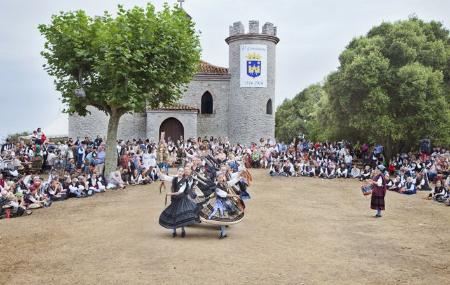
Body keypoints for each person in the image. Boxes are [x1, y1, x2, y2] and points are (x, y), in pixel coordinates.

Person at [159, 167, 200, 238]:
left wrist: (170, 194)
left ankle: (183, 230)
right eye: (179, 171)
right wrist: (159, 172)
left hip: (182, 200)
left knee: (181, 216)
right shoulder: (174, 179)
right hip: (175, 200)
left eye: (182, 171)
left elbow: (180, 192)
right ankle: (174, 231)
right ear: (177, 172)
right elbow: (165, 177)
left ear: (183, 173)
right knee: (174, 215)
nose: (180, 172)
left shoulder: (185, 181)